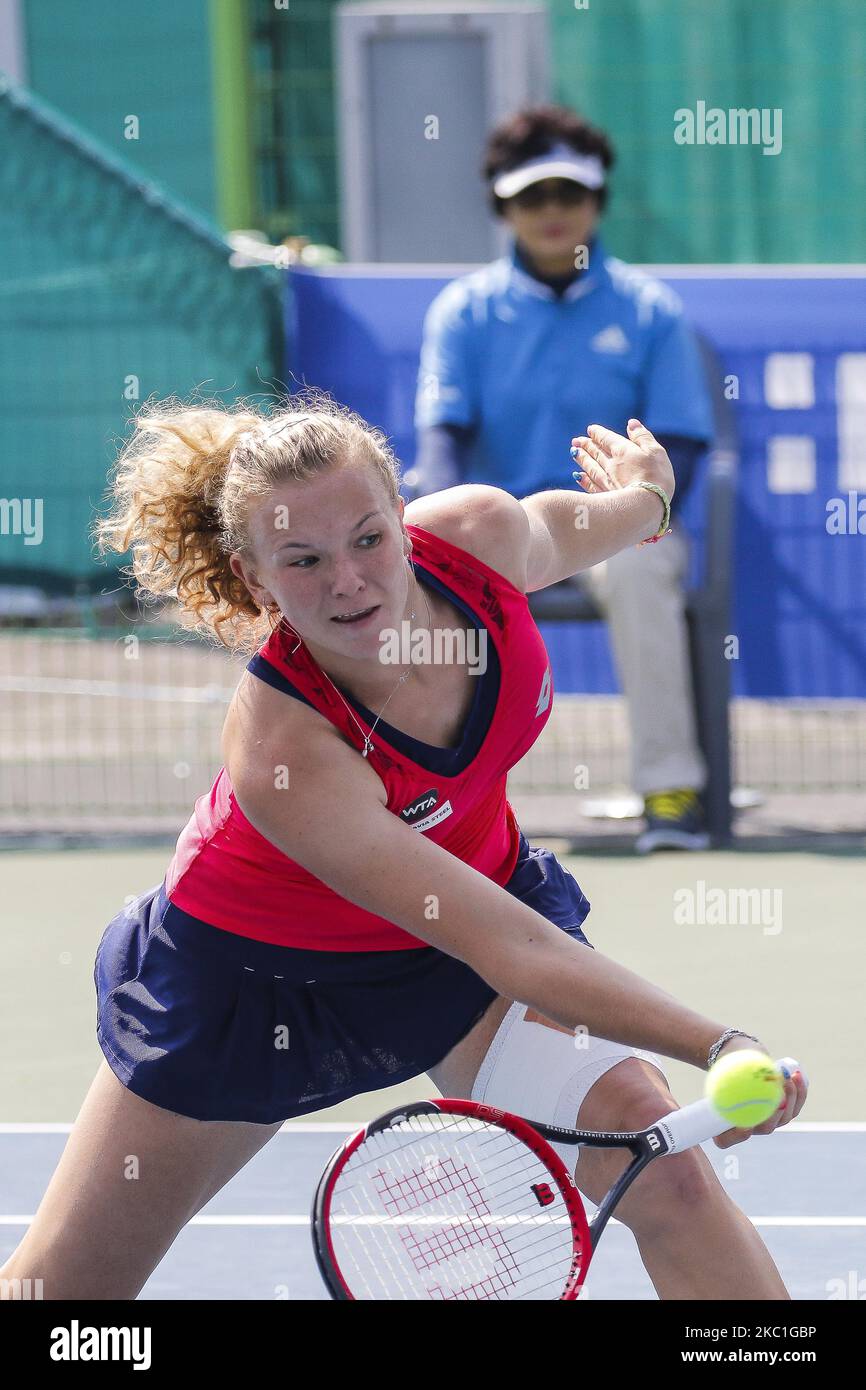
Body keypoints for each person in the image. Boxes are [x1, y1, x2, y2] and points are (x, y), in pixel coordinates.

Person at [0, 392, 805, 1301]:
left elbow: (604, 521)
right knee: (64, 1293)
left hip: (462, 948)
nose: (348, 580)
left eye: (368, 539)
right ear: (255, 577)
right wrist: (723, 1042)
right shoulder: (285, 749)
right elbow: (516, 947)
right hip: (256, 985)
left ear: (404, 521)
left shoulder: (480, 540)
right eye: (302, 560)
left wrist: (649, 501)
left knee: (671, 1171)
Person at [409, 105, 715, 853]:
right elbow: (441, 440)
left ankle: (669, 790)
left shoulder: (650, 312)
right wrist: (436, 546)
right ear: (503, 207)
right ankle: (421, 800)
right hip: (495, 530)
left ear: (597, 202)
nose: (551, 213)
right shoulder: (463, 313)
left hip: (610, 528)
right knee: (406, 579)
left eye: (568, 195)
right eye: (530, 197)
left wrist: (643, 511)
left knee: (646, 576)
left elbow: (682, 441)